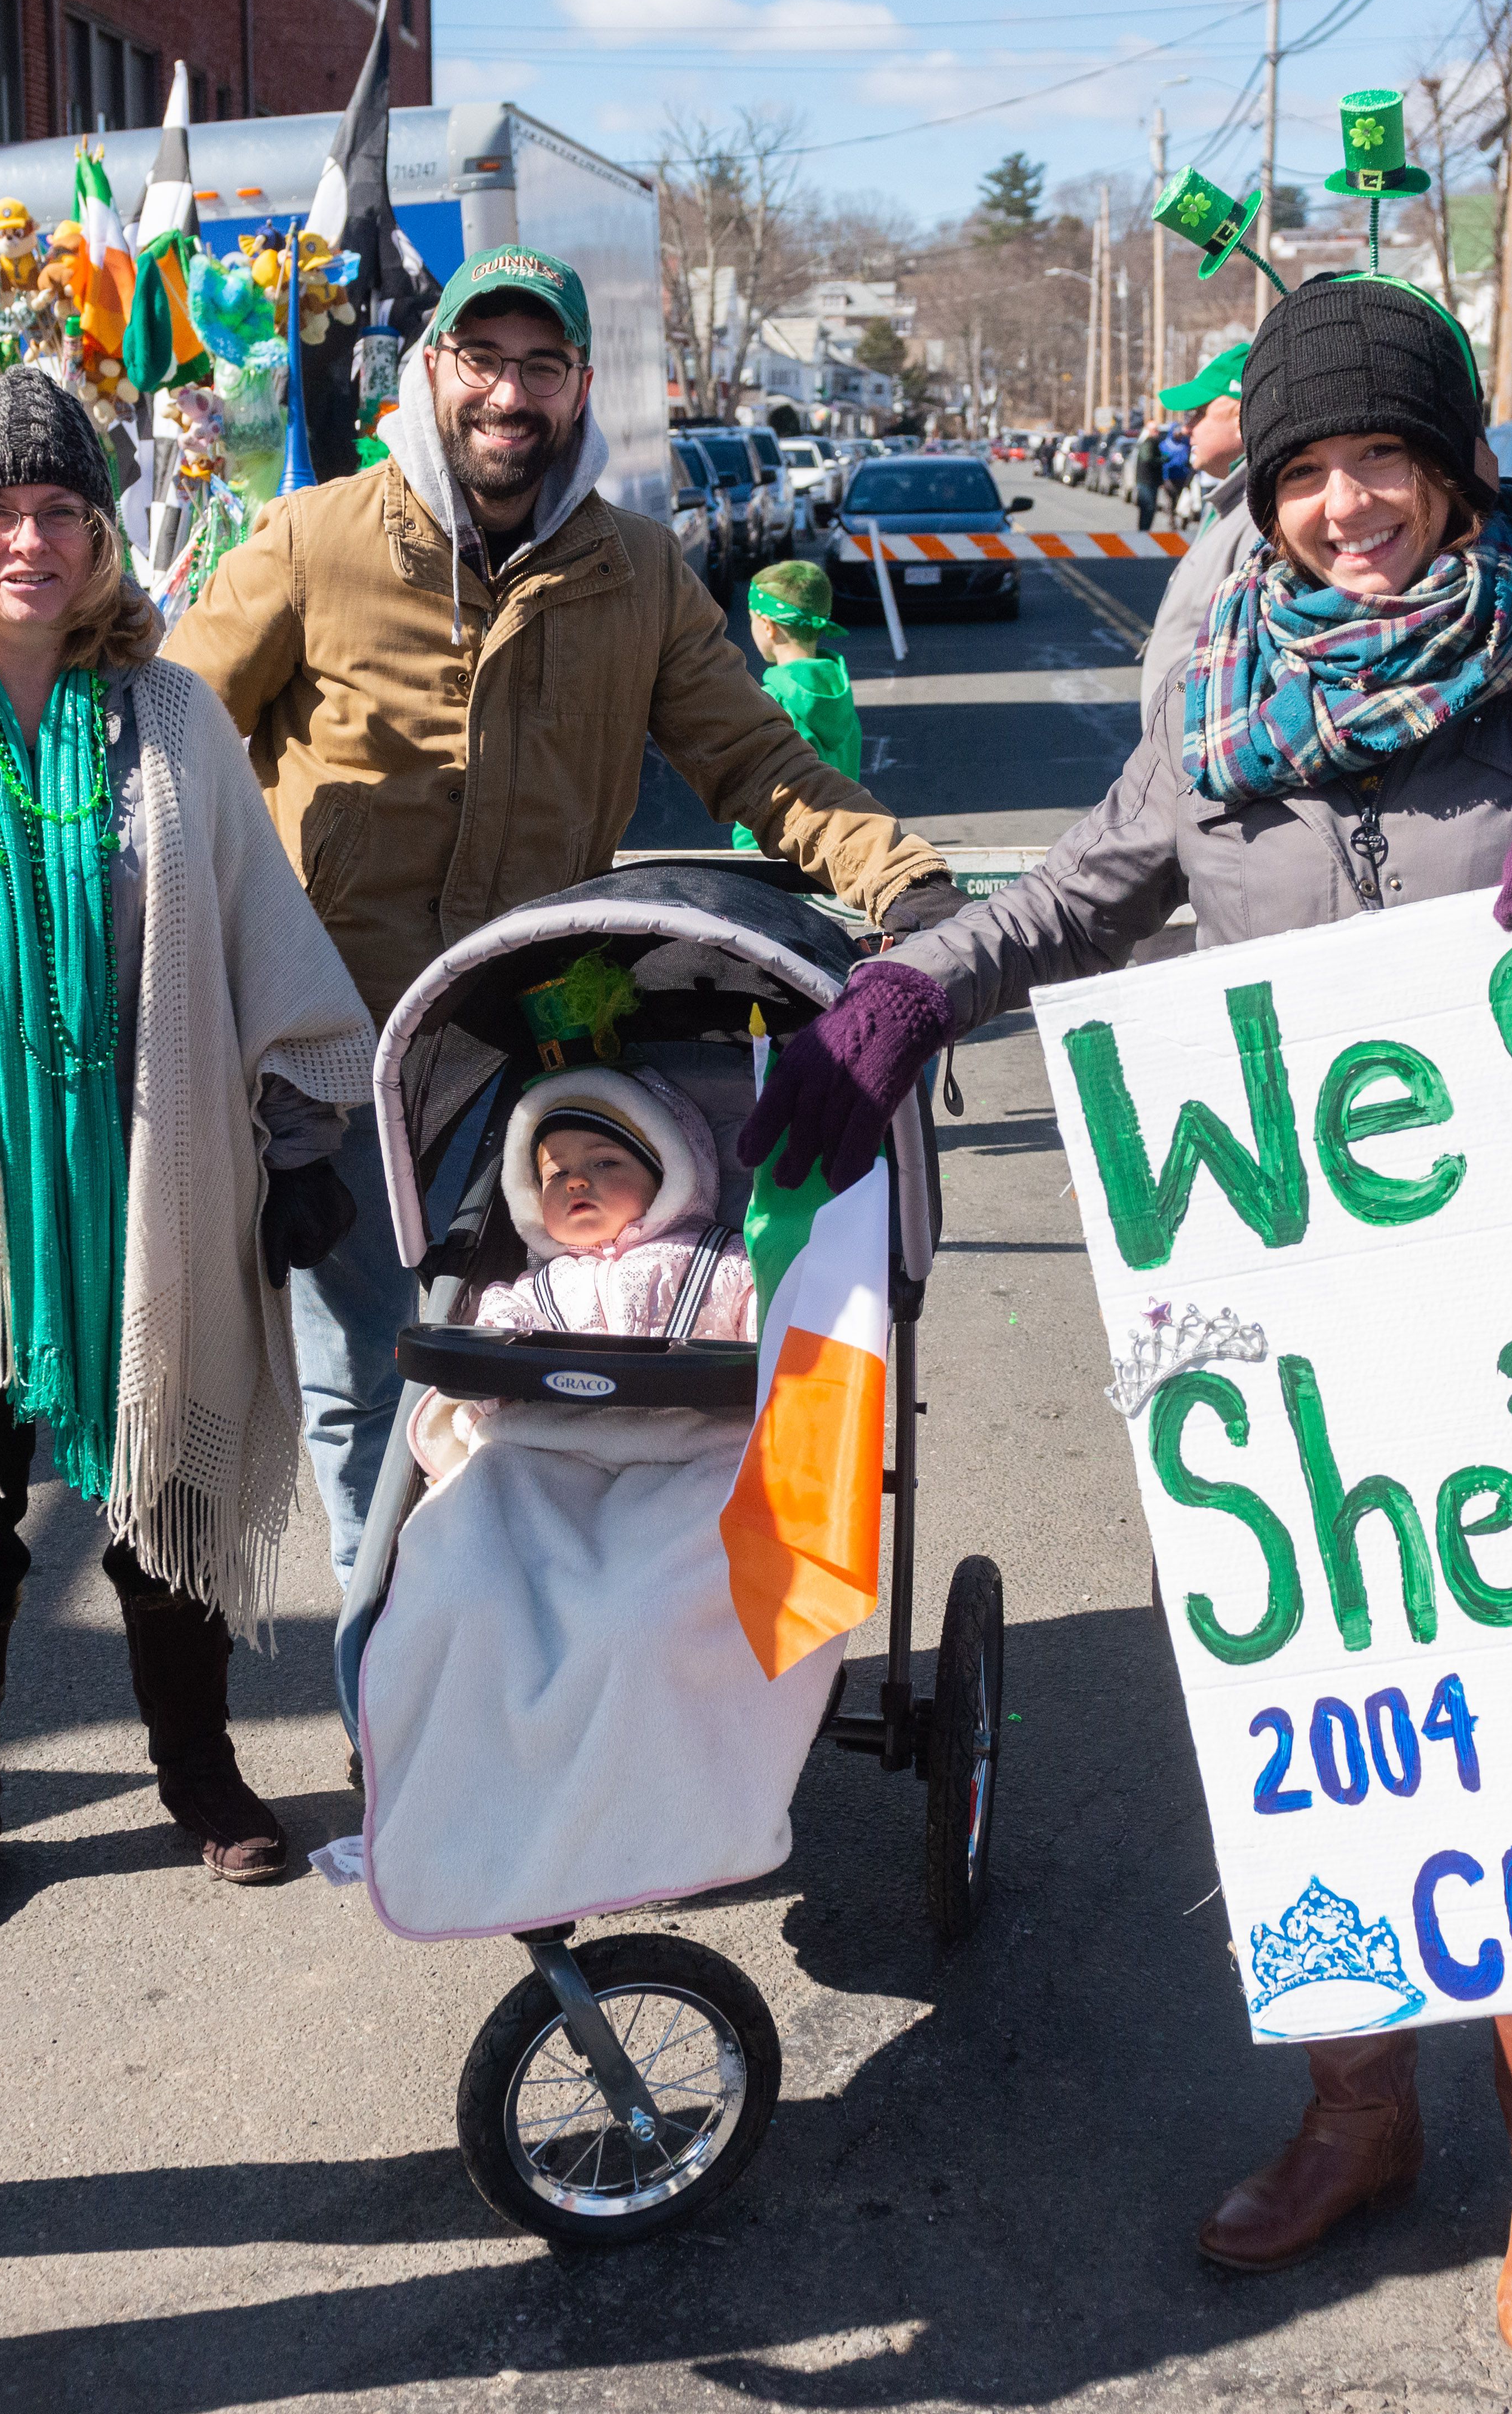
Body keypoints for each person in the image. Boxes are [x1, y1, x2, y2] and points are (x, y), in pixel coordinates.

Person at [736, 269, 1512, 2379]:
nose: (1347, 506)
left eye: (1385, 460)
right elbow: (1087, 891)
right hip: (1277, 1316)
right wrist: (908, 986)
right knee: (1303, 1726)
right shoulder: (1219, 670)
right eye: (1308, 467)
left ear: (1455, 467)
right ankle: (1353, 2109)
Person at [161, 242, 962, 1595]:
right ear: (432, 371)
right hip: (329, 1063)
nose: (508, 392)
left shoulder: (634, 572)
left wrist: (904, 881)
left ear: (581, 385)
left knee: (543, 1384)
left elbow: (758, 763)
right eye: (484, 358)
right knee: (364, 1387)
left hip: (533, 1055)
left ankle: (523, 1663)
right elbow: (167, 744)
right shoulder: (310, 542)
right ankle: (391, 1706)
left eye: (541, 364)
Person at [0, 366, 375, 1945]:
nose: (30, 540)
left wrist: (294, 1135)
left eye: (61, 509)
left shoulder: (174, 714)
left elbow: (258, 930)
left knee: (167, 1490)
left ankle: (199, 1772)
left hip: (153, 1162)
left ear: (104, 533)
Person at [407, 1063, 758, 1492]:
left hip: (691, 1445)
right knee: (483, 1488)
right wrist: (496, 1360)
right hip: (561, 1447)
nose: (576, 1182)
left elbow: (765, 1314)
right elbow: (498, 1326)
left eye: (605, 1162)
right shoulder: (539, 1288)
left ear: (668, 1175)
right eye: (556, 1174)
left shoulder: (722, 1260)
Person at [730, 560, 860, 853]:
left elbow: (757, 798)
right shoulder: (840, 695)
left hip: (779, 861)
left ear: (768, 626)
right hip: (837, 856)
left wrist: (746, 855)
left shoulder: (771, 702)